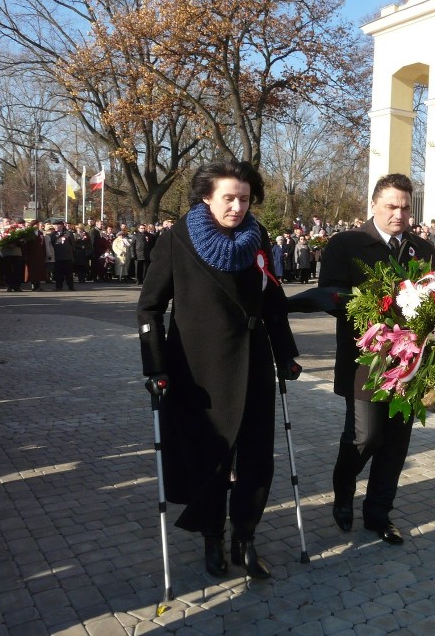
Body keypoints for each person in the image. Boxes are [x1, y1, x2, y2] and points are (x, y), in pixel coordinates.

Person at [137, 159, 300, 578]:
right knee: (209, 458)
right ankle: (212, 535)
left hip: (253, 362)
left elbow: (272, 302)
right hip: (199, 369)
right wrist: (154, 366)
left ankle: (244, 536)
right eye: (229, 197)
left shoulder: (257, 236)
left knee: (258, 459)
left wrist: (285, 353)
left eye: (245, 199)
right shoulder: (177, 239)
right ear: (207, 196)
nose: (237, 206)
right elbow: (150, 307)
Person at [319, 173, 435, 545]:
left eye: (405, 207)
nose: (399, 214)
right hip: (364, 360)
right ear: (373, 205)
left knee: (396, 442)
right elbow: (329, 296)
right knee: (366, 437)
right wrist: (369, 309)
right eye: (391, 206)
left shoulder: (421, 248)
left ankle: (379, 514)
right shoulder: (347, 244)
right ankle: (343, 490)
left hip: (409, 363)